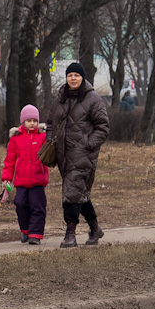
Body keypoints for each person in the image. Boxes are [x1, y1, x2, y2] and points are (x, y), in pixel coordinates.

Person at [48, 61, 110, 248]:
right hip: (63, 155)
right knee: (78, 193)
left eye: (76, 75)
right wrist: (50, 141)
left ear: (82, 78)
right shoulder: (60, 98)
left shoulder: (93, 99)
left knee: (71, 193)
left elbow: (103, 127)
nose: (73, 78)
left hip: (83, 155)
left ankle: (70, 233)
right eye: (70, 75)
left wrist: (88, 144)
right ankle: (94, 227)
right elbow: (50, 123)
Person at [1, 105, 50, 245]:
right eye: (29, 120)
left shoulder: (43, 136)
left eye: (35, 120)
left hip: (38, 180)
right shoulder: (16, 139)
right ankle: (25, 231)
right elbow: (10, 160)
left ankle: (35, 234)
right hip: (21, 181)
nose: (32, 123)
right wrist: (6, 178)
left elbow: (51, 150)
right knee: (20, 204)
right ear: (23, 122)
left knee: (37, 206)